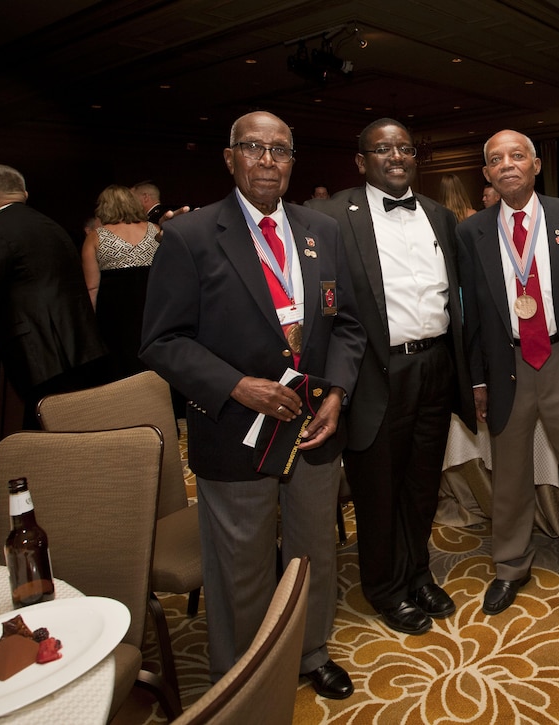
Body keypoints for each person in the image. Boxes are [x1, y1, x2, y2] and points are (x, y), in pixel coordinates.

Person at [139, 111, 365, 700]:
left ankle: (311, 650)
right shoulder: (190, 236)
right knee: (240, 560)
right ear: (230, 157)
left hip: (313, 426)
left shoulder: (323, 230)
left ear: (294, 161)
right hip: (237, 426)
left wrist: (338, 393)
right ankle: (239, 677)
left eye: (280, 151)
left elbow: (347, 325)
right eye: (253, 148)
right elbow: (162, 341)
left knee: (313, 550)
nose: (267, 161)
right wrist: (237, 385)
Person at [314, 118, 476, 636]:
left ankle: (417, 572)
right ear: (362, 161)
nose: (397, 156)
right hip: (374, 372)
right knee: (379, 487)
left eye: (405, 147)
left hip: (434, 366)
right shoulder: (332, 215)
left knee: (422, 483)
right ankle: (384, 586)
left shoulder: (437, 214)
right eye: (383, 149)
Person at [456, 130, 559, 615]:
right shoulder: (472, 230)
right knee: (510, 471)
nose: (508, 165)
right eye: (496, 159)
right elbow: (472, 315)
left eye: (517, 156)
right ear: (487, 175)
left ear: (536, 165)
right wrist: (476, 379)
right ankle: (510, 564)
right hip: (506, 364)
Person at [0, 165, 106, 430]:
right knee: (66, 425)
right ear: (24, 194)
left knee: (42, 429)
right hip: (75, 342)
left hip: (37, 349)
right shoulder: (49, 223)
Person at [81, 184, 161, 380]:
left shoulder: (95, 237)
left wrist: (90, 331)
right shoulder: (155, 230)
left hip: (114, 312)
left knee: (121, 366)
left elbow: (92, 287)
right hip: (152, 305)